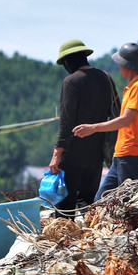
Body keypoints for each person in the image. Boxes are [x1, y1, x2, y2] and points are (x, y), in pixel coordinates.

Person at [72, 42, 138, 200]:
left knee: (127, 202)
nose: (119, 67)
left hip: (130, 156)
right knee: (100, 201)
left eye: (120, 64)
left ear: (128, 66)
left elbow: (126, 120)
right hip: (122, 155)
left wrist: (93, 128)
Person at [48, 39, 118, 214]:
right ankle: (91, 229)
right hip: (97, 152)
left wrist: (57, 153)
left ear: (68, 61)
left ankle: (66, 232)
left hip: (72, 153)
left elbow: (66, 121)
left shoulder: (71, 81)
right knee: (87, 201)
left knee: (65, 205)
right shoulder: (105, 77)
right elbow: (117, 112)